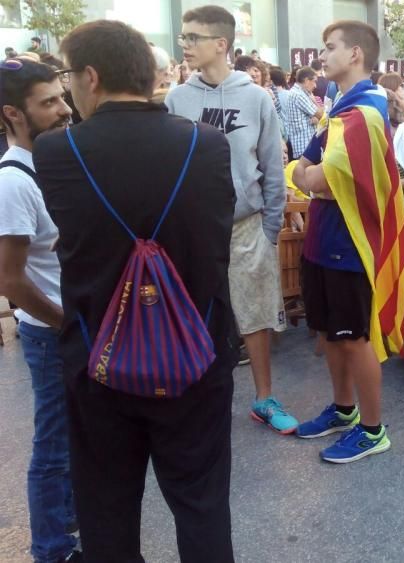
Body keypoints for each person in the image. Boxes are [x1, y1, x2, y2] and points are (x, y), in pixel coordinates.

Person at [33, 20, 238, 560]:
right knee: (202, 505)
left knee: (106, 510)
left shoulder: (57, 153)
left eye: (67, 75)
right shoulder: (208, 145)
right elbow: (214, 250)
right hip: (196, 353)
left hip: (99, 357)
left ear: (91, 77)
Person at [167, 5, 294, 433]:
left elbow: (272, 169)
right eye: (183, 37)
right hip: (194, 231)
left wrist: (270, 228)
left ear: (221, 44)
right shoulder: (177, 99)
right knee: (194, 314)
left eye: (192, 38)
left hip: (247, 225)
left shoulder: (257, 98)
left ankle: (264, 398)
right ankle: (199, 400)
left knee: (255, 314)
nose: (184, 45)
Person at [291, 20, 404, 463]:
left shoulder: (366, 111)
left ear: (355, 53)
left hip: (350, 243)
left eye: (329, 48)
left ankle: (374, 430)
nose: (321, 56)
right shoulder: (343, 107)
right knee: (331, 333)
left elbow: (317, 174)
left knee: (354, 336)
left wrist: (312, 179)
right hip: (324, 236)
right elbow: (301, 167)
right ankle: (344, 410)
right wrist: (312, 180)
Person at [0, 59, 78, 563]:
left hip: (69, 325)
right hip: (51, 334)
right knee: (52, 449)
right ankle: (50, 549)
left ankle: (68, 518)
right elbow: (9, 279)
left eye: (62, 96)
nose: (64, 109)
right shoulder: (12, 183)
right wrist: (64, 321)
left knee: (72, 437)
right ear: (13, 114)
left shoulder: (49, 161)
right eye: (48, 102)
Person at [285, 67, 323, 159]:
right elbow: (322, 115)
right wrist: (314, 101)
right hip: (305, 147)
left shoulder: (298, 93)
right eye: (314, 81)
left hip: (303, 147)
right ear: (306, 81)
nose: (315, 86)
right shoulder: (299, 95)